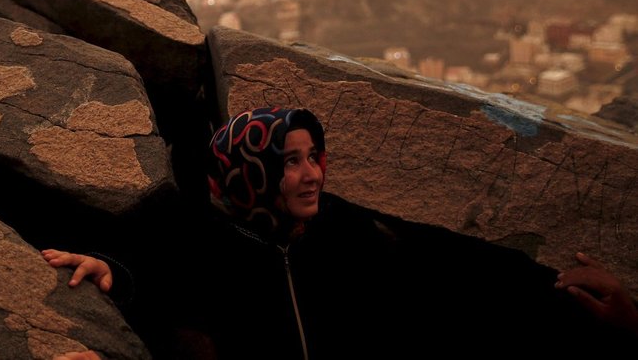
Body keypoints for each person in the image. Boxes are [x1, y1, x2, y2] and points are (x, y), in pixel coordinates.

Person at [46, 106, 638, 358]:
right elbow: (148, 271)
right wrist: (111, 272)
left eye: (315, 156)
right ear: (250, 170)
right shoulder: (196, 234)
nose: (312, 175)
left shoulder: (344, 235)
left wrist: (566, 297)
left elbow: (456, 272)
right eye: (291, 161)